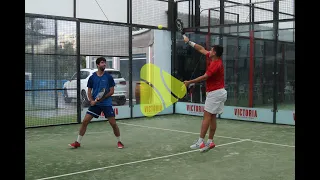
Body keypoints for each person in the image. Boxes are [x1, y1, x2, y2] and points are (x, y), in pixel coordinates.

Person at [183, 35, 227, 152]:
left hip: (215, 93)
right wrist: (189, 42)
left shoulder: (215, 64)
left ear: (215, 53)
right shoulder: (214, 58)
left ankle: (200, 141)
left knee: (206, 116)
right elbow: (201, 49)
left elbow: (204, 77)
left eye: (212, 50)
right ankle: (210, 142)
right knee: (212, 117)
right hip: (220, 92)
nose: (209, 51)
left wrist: (189, 82)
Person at [69, 57, 124, 149]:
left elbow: (111, 91)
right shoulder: (92, 78)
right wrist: (91, 101)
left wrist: (102, 98)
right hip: (96, 105)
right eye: (102, 63)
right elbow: (89, 91)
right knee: (85, 121)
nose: (104, 64)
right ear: (98, 65)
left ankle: (119, 141)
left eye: (105, 63)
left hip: (106, 104)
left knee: (113, 124)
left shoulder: (108, 77)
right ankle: (77, 142)